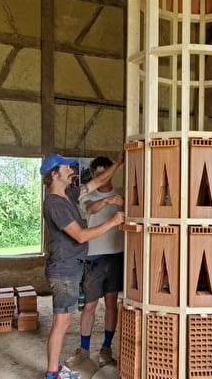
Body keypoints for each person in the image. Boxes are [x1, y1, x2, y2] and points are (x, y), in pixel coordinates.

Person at [40, 152, 124, 379]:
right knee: (61, 320)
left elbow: (94, 183)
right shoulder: (55, 203)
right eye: (66, 167)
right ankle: (52, 373)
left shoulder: (68, 194)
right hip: (64, 269)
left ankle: (54, 371)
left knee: (64, 319)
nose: (71, 170)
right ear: (54, 174)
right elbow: (80, 236)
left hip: (72, 266)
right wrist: (113, 221)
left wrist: (117, 163)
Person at [65, 156, 124, 369]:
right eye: (97, 174)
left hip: (117, 255)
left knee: (111, 302)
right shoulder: (87, 195)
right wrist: (108, 201)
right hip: (94, 257)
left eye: (104, 173)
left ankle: (106, 348)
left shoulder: (122, 192)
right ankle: (83, 350)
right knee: (89, 305)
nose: (101, 178)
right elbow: (90, 209)